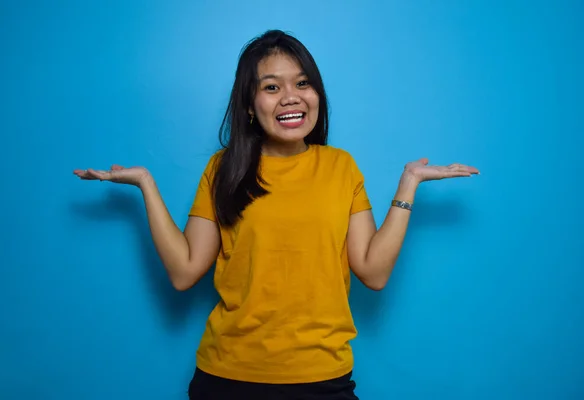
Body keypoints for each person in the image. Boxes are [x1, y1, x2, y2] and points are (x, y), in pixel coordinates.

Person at [74, 29, 479, 400]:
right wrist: (146, 183)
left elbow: (373, 272)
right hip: (227, 378)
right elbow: (184, 272)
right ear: (250, 105)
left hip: (323, 378)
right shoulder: (223, 168)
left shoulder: (341, 167)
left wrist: (408, 185)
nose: (291, 96)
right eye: (272, 87)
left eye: (303, 83)